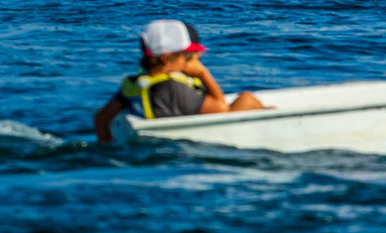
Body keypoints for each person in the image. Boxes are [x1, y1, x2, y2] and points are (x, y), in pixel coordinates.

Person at [93, 17, 266, 143]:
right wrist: (203, 74)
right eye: (185, 55)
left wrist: (107, 146)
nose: (188, 60)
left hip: (147, 140)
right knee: (246, 99)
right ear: (166, 57)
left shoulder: (133, 84)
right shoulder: (173, 89)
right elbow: (221, 108)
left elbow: (101, 119)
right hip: (180, 145)